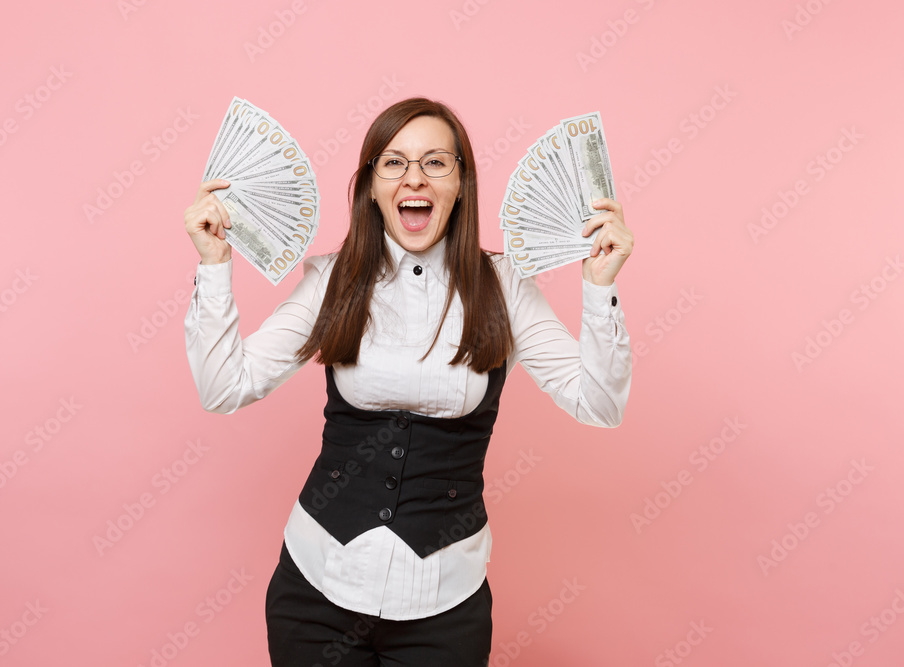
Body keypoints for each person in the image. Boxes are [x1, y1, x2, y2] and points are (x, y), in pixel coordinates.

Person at [182, 97, 633, 666]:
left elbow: (599, 404)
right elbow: (223, 387)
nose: (413, 178)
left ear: (461, 184)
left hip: (445, 604)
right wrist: (214, 265)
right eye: (392, 163)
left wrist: (599, 287)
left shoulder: (506, 286)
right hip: (317, 587)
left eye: (436, 163)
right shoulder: (333, 279)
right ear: (371, 186)